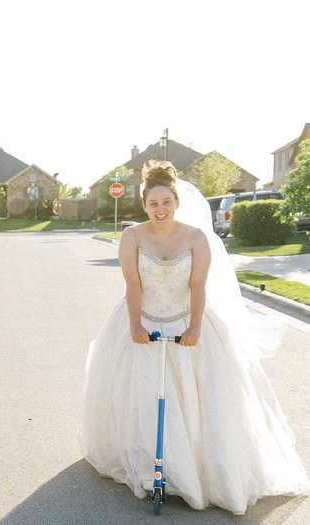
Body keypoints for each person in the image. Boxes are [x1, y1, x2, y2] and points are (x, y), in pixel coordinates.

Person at [82, 160, 309, 514]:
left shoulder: (196, 237)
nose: (160, 209)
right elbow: (133, 285)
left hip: (188, 320)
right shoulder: (132, 237)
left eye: (166, 202)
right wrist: (136, 326)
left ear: (176, 202)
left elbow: (198, 286)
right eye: (153, 203)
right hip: (143, 319)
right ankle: (152, 468)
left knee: (202, 399)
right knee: (141, 395)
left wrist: (195, 328)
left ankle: (200, 470)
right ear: (144, 205)